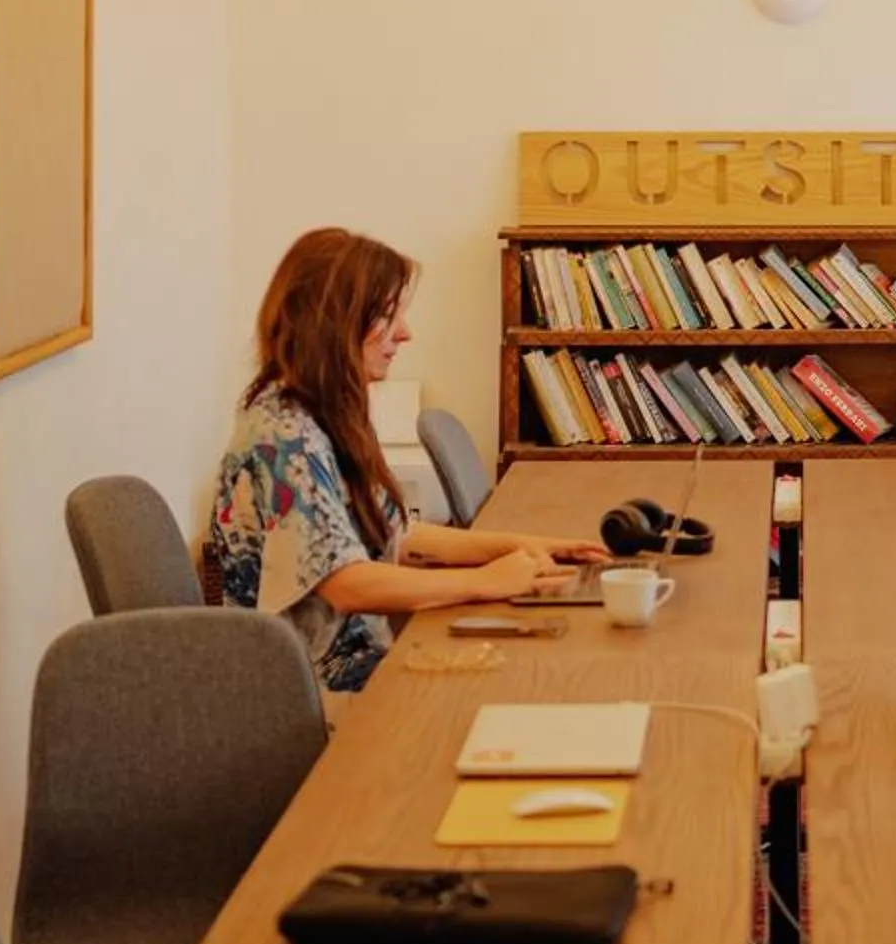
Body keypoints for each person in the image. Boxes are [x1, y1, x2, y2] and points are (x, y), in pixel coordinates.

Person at [211, 228, 610, 692]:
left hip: (355, 659)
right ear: (333, 321)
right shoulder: (282, 436)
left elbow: (397, 537)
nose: (405, 332)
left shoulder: (325, 413)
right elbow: (347, 583)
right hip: (306, 689)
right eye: (386, 316)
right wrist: (488, 581)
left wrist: (526, 546)